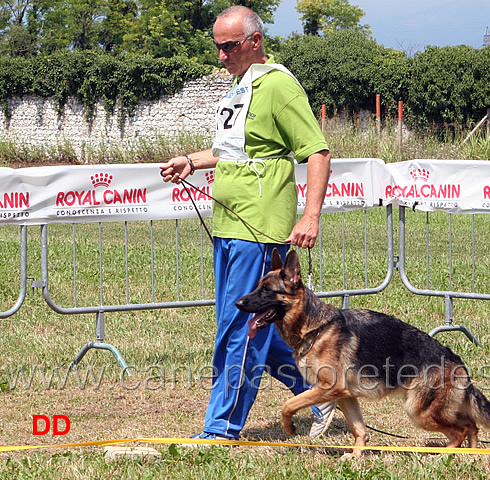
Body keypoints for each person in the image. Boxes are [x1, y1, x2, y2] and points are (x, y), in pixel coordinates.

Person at [159, 5, 334, 443]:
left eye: (229, 46)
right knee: (253, 325)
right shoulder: (241, 87)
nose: (221, 55)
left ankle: (222, 429)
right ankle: (318, 392)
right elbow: (233, 151)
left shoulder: (278, 86)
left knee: (238, 330)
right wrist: (191, 160)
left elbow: (317, 152)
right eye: (216, 46)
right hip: (228, 224)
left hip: (257, 226)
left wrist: (310, 215)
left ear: (254, 41)